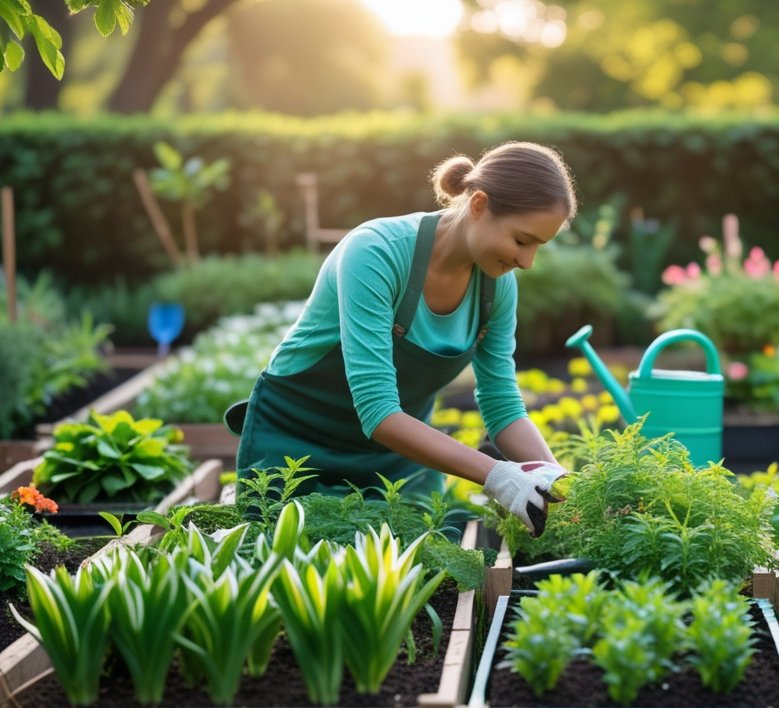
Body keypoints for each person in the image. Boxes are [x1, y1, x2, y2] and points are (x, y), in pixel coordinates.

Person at [231, 142, 575, 535]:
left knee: (431, 569)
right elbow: (378, 411)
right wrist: (497, 475)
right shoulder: (376, 252)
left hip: (397, 462)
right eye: (521, 240)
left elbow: (502, 405)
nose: (527, 262)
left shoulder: (497, 288)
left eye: (538, 248)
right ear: (478, 205)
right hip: (297, 447)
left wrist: (557, 484)